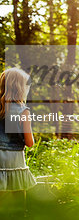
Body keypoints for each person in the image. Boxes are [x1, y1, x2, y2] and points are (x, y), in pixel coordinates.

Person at [0, 68, 36, 196]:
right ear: (20, 89)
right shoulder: (23, 111)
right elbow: (30, 142)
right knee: (17, 195)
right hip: (14, 159)